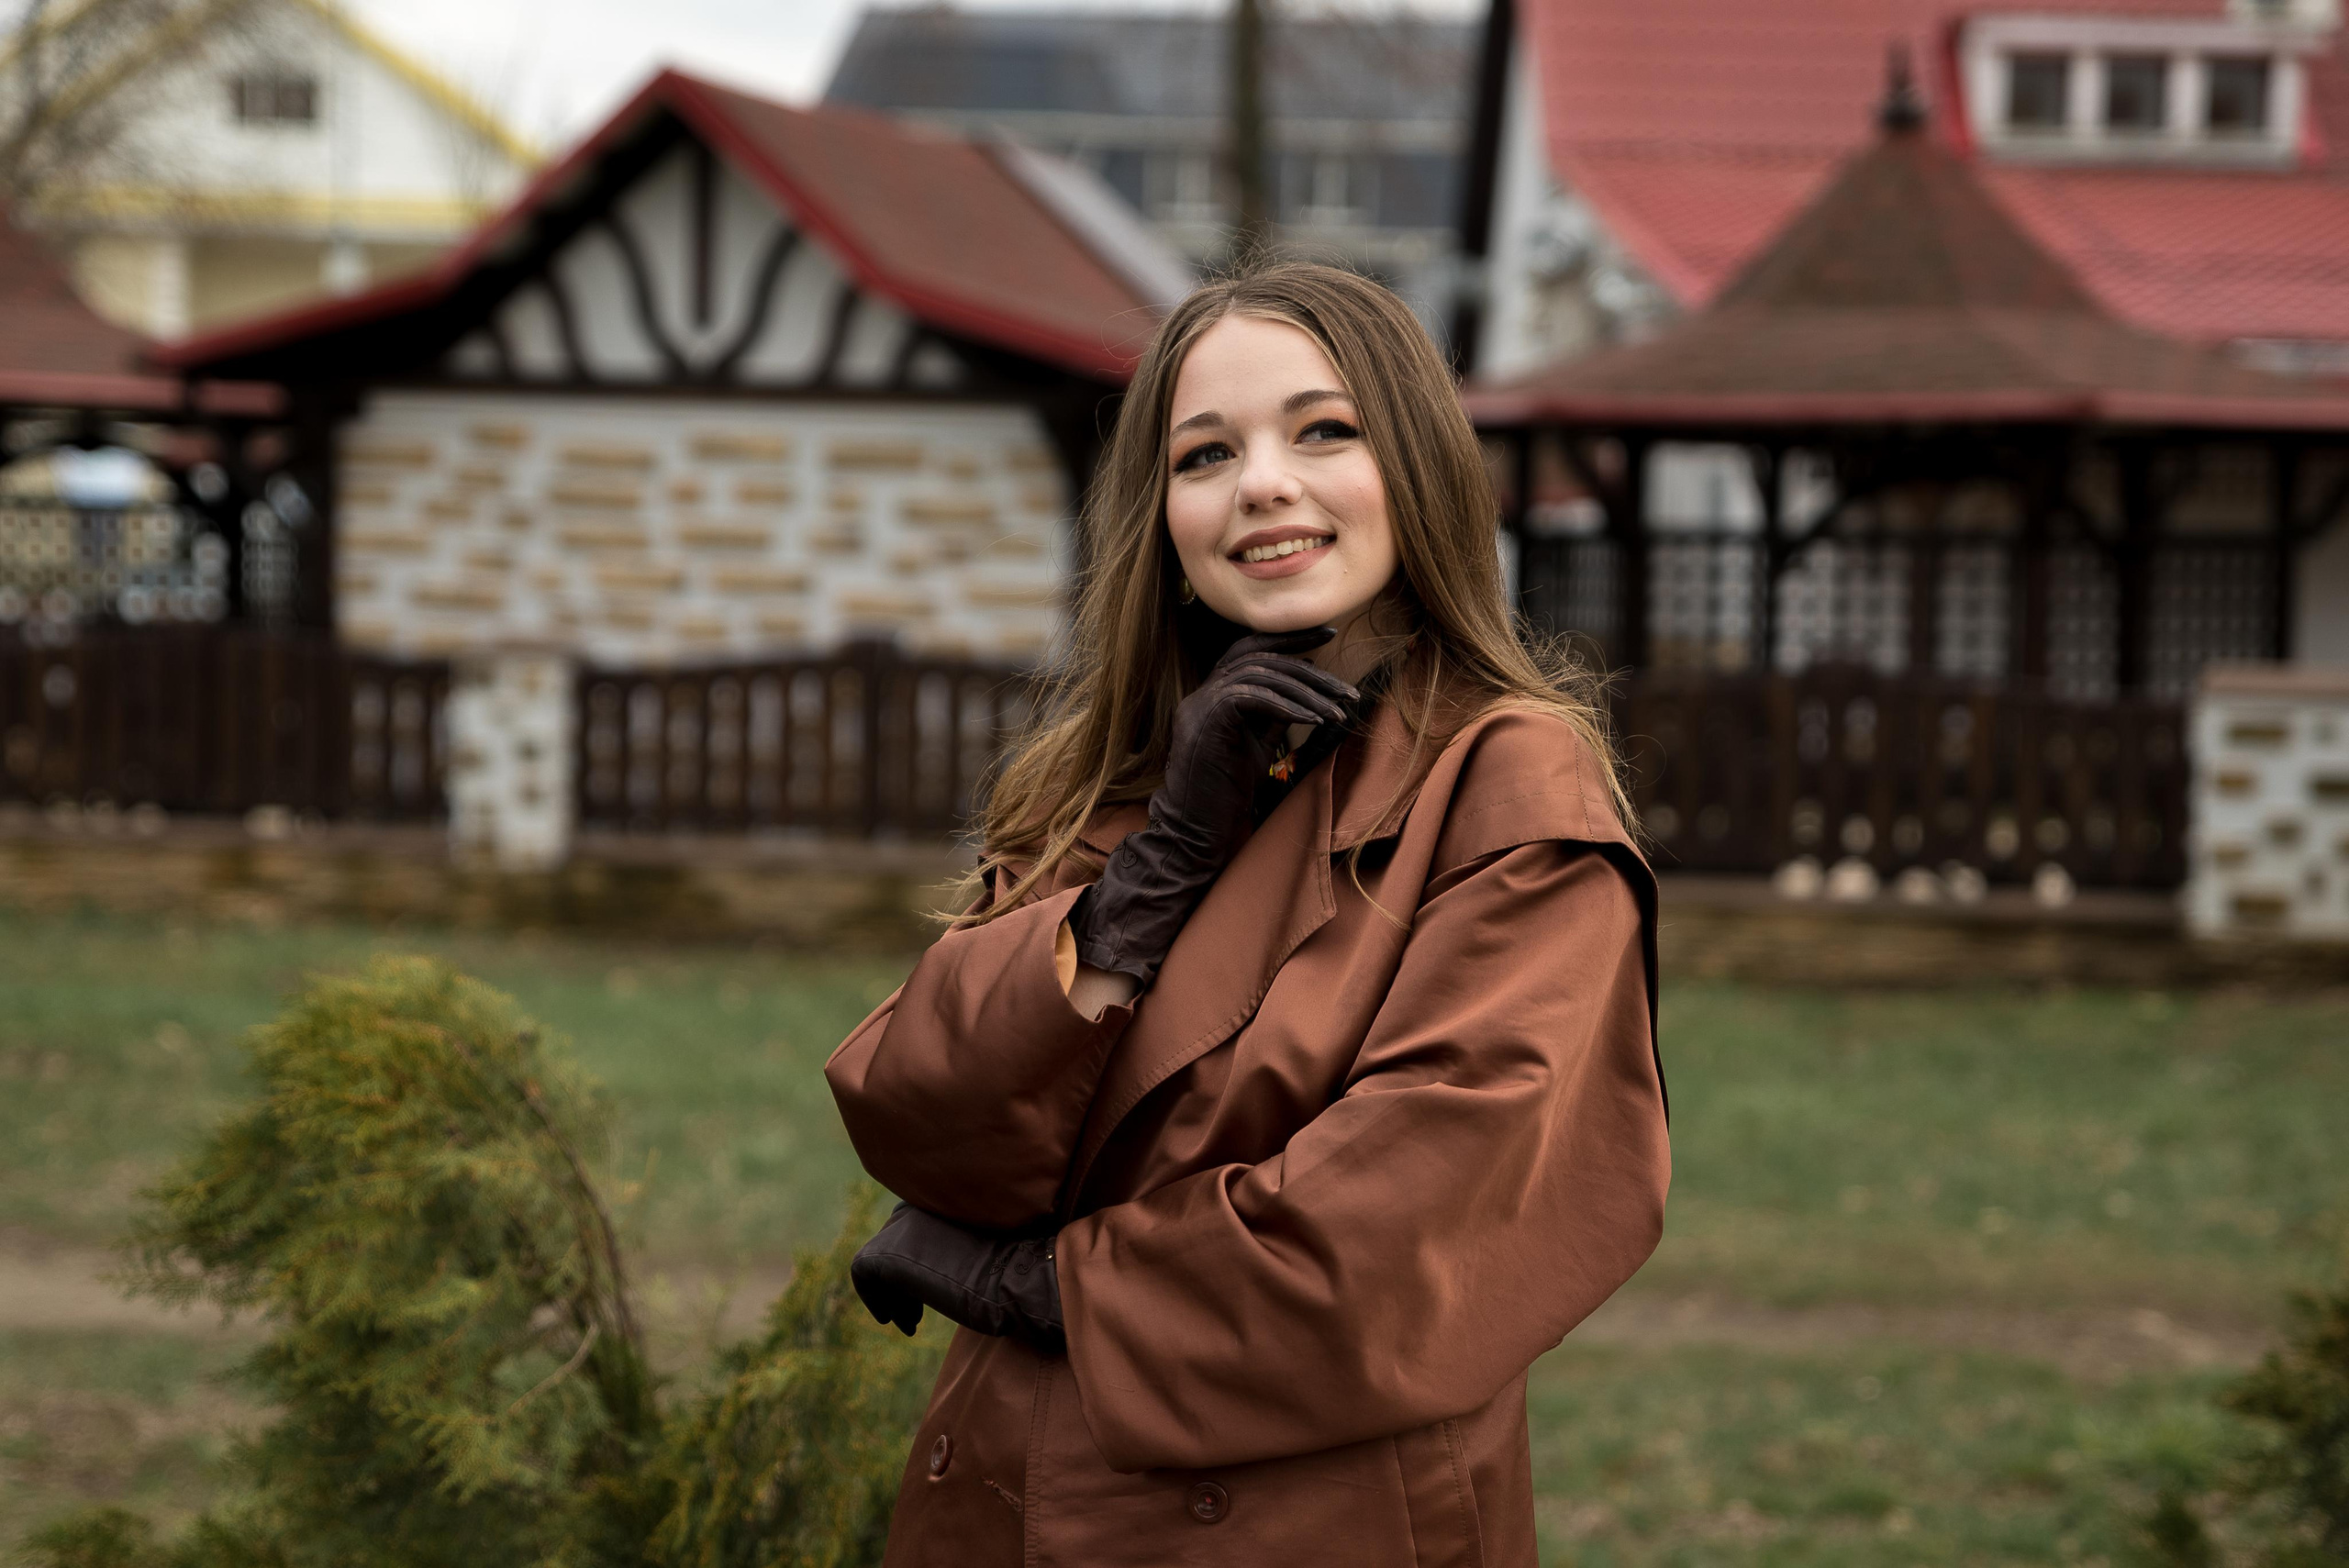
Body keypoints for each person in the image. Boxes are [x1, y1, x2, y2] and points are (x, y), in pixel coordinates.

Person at [824, 261, 1668, 1565]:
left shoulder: (1509, 786)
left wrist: (1018, 1281)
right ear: (1163, 514)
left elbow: (1393, 1241)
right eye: (1205, 453)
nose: (1262, 483)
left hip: (1297, 1520)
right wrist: (1159, 866)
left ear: (1421, 469)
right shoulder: (1111, 782)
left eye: (1324, 431)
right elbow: (925, 1120)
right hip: (1000, 1496)